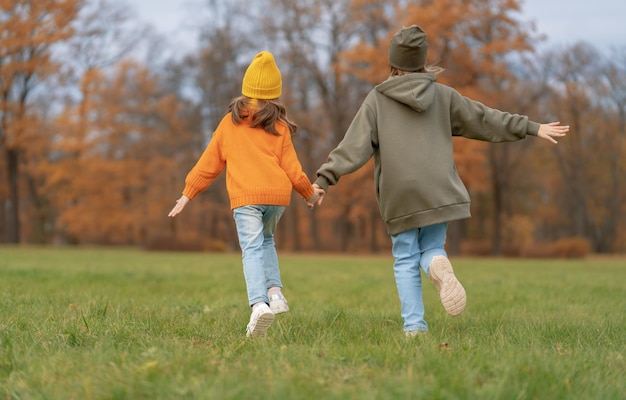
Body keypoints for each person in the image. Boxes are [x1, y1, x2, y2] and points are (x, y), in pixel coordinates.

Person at [313, 25, 569, 337]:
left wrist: (324, 179)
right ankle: (437, 263)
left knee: (406, 258)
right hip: (439, 189)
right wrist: (531, 127)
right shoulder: (443, 96)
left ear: (392, 60)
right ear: (423, 60)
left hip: (400, 194)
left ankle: (415, 327)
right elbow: (486, 119)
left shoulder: (377, 100)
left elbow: (352, 147)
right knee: (432, 247)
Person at [168, 51, 323, 338]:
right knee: (266, 242)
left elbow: (209, 162)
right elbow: (293, 168)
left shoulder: (231, 122)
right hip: (277, 198)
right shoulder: (279, 125)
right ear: (275, 93)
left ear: (246, 87)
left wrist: (187, 193)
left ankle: (258, 305)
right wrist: (309, 193)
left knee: (251, 249)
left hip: (247, 197)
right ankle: (275, 295)